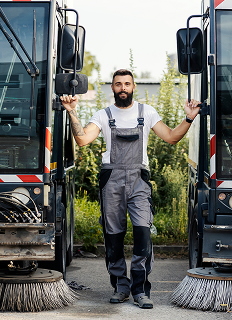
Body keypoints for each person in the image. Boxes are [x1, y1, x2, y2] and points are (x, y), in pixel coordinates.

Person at [60, 69, 200, 309]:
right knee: (113, 236)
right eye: (118, 84)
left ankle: (140, 289)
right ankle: (120, 287)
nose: (122, 88)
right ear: (112, 88)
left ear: (133, 87)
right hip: (111, 179)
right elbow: (82, 139)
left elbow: (171, 137)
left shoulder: (147, 112)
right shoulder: (103, 115)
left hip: (138, 180)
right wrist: (72, 111)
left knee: (143, 233)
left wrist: (189, 118)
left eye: (127, 84)